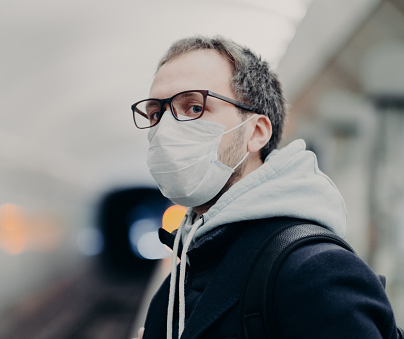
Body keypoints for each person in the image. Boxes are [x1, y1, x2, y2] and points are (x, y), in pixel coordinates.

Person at [131, 35, 400, 338]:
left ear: (256, 132)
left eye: (194, 107)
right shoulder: (184, 277)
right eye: (156, 114)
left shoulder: (316, 271)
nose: (165, 129)